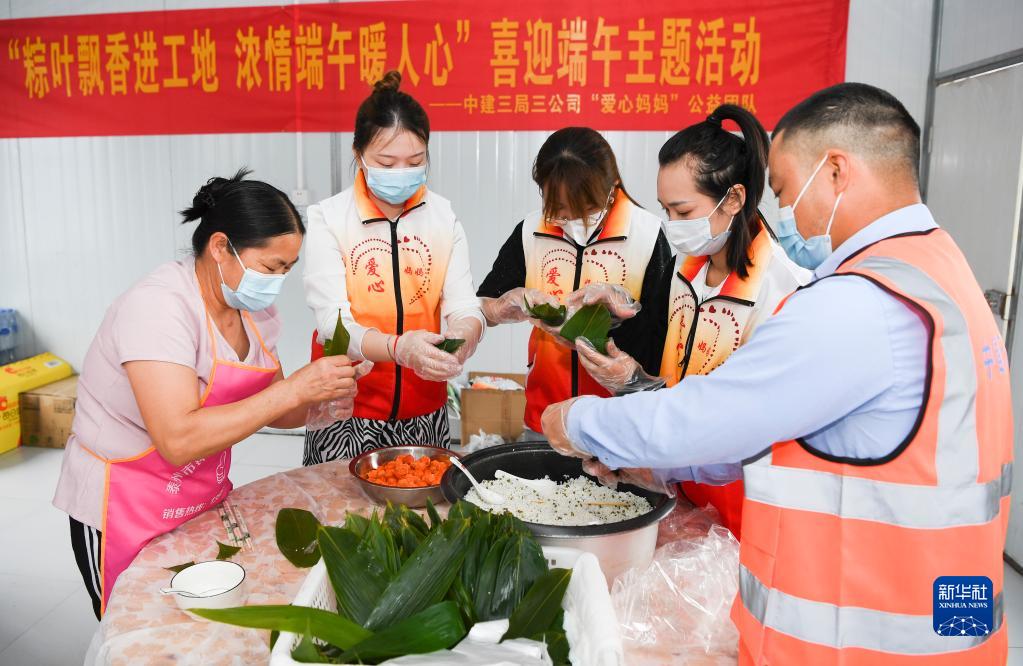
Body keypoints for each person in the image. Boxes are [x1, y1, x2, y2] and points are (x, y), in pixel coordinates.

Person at [543, 83, 1012, 663]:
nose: (783, 215)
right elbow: (768, 428)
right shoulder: (938, 272)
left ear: (836, 171)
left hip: (862, 640)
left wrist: (581, 422)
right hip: (937, 619)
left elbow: (716, 415)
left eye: (786, 192)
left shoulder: (858, 304)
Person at [53, 170, 360, 619]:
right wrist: (296, 389)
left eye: (287, 270)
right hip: (124, 502)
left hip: (200, 495)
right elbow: (177, 439)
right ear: (220, 247)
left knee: (197, 620)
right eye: (270, 267)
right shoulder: (159, 307)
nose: (277, 282)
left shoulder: (254, 311)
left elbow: (273, 406)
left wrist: (320, 404)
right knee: (139, 620)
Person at [574, 104, 810, 537]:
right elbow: (675, 386)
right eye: (665, 210)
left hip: (740, 519)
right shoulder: (686, 268)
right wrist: (631, 375)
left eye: (683, 212)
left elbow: (751, 425)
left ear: (733, 199)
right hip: (673, 496)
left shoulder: (780, 291)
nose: (672, 225)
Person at [302, 71, 484, 463]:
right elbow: (333, 325)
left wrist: (464, 336)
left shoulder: (442, 217)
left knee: (423, 499)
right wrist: (399, 349)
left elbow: (465, 306)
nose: (402, 172)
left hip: (424, 408)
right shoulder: (329, 219)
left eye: (415, 161)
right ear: (359, 155)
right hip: (348, 408)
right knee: (340, 501)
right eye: (386, 162)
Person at [477, 127, 673, 437]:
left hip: (618, 422)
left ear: (611, 186)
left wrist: (612, 323)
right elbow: (486, 304)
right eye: (559, 209)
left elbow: (662, 335)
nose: (572, 220)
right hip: (545, 416)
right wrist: (502, 306)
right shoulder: (531, 230)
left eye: (585, 209)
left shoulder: (647, 235)